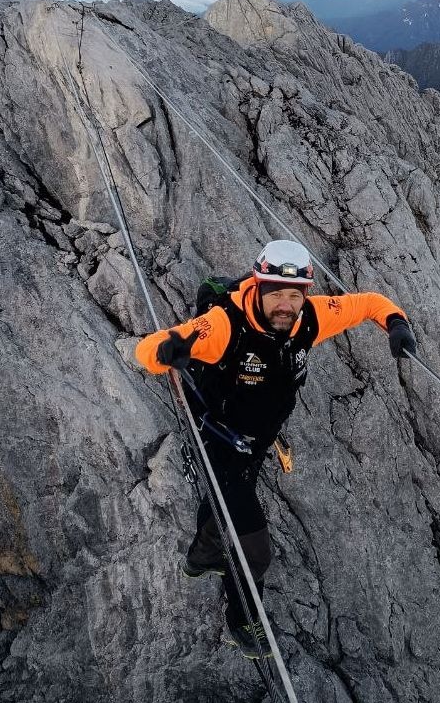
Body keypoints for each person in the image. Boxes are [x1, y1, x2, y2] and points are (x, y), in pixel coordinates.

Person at [134, 239, 416, 658]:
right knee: (256, 549)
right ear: (258, 287)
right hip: (217, 440)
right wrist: (166, 350)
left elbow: (368, 304)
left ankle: (203, 556)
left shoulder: (310, 318)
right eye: (276, 294)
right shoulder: (225, 325)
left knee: (229, 501)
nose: (286, 305)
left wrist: (396, 324)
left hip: (256, 440)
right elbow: (149, 349)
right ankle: (243, 621)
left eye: (294, 295)